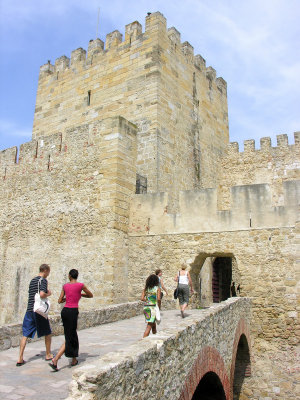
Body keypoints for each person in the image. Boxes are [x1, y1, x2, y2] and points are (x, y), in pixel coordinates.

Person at [49, 269, 93, 371]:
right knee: (70, 337)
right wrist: (80, 294)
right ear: (77, 276)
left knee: (72, 335)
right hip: (73, 312)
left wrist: (67, 298)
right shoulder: (81, 285)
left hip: (65, 311)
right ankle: (55, 360)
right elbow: (90, 295)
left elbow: (59, 300)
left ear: (69, 276)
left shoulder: (65, 286)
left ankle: (74, 359)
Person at [16, 264, 53, 366]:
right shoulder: (43, 280)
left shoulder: (32, 281)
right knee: (48, 332)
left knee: (25, 334)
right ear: (45, 270)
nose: (48, 274)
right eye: (48, 272)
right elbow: (41, 294)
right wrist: (48, 294)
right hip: (38, 311)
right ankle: (48, 354)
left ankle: (20, 358)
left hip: (29, 310)